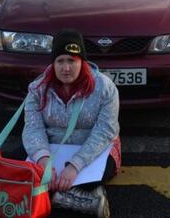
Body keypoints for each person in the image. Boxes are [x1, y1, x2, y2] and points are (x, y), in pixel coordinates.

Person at [22, 29, 120, 217]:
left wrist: (74, 166)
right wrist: (44, 162)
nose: (66, 68)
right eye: (60, 61)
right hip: (51, 147)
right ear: (53, 63)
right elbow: (33, 129)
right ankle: (82, 199)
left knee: (97, 174)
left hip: (93, 148)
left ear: (82, 61)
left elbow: (105, 131)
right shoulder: (37, 89)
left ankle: (57, 196)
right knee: (25, 166)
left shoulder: (106, 88)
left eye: (72, 60)